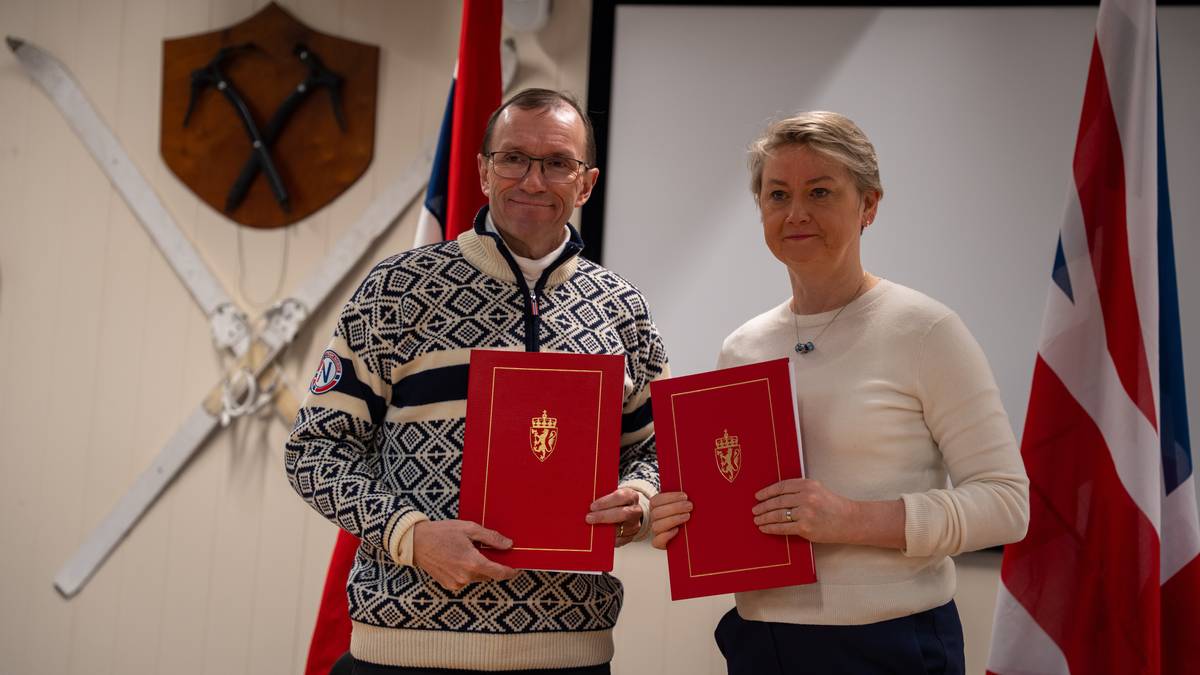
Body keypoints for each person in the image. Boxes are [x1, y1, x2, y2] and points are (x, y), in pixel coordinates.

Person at [286, 88, 668, 674]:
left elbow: (659, 450)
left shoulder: (621, 307)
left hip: (569, 654)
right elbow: (314, 453)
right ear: (484, 172)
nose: (533, 181)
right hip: (402, 653)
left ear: (586, 183)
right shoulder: (396, 290)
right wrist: (411, 536)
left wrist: (639, 502)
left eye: (557, 163)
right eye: (514, 158)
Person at [648, 111, 1029, 674]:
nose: (796, 212)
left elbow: (1006, 504)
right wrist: (682, 521)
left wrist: (851, 518)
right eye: (777, 194)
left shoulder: (927, 332)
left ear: (868, 205)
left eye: (820, 192)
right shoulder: (743, 347)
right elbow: (740, 499)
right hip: (761, 643)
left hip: (893, 647)